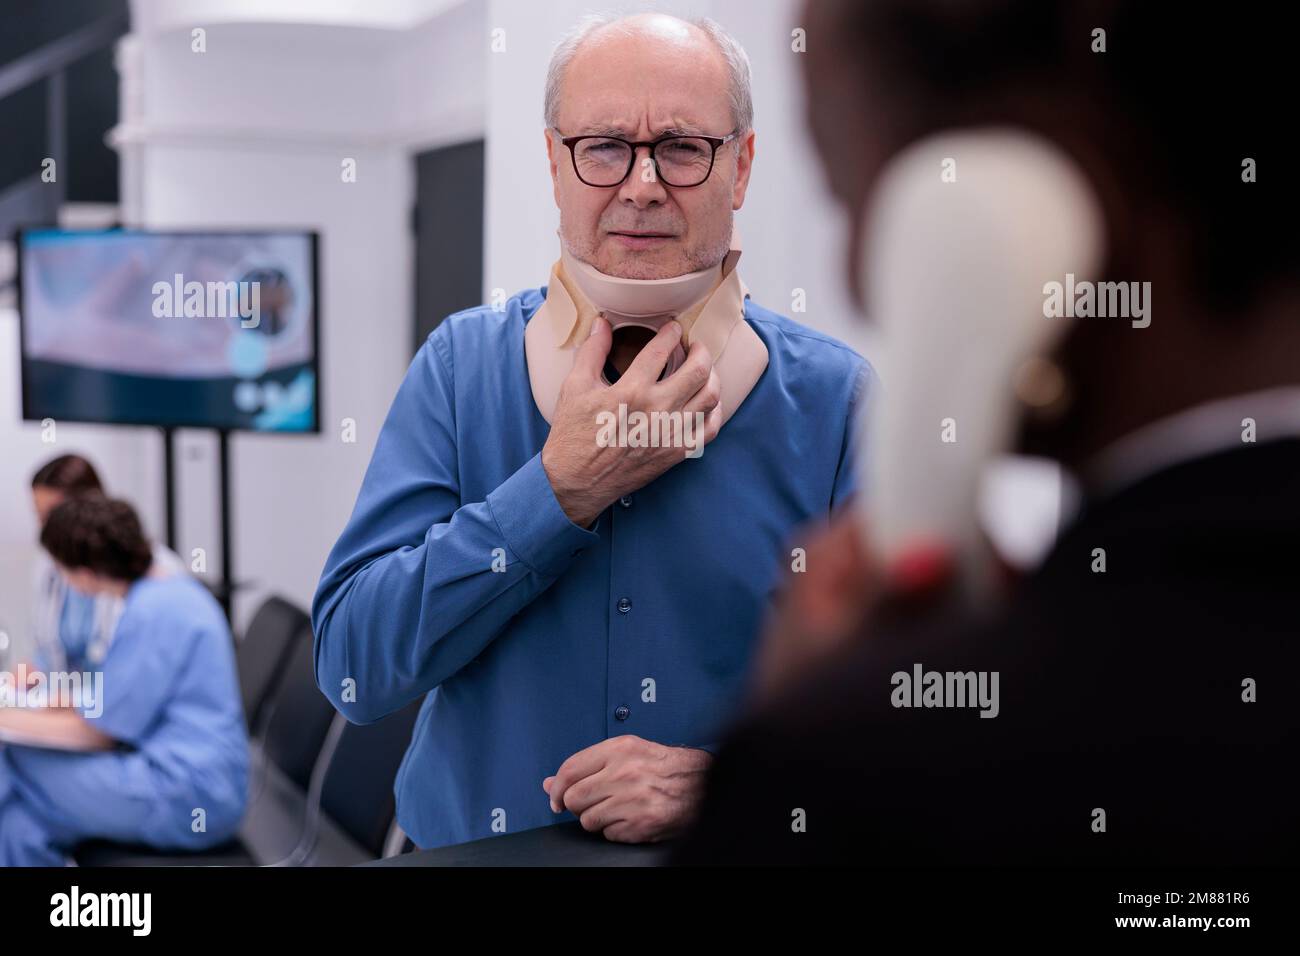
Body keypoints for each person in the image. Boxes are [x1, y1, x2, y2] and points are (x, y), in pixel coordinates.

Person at [673, 0, 1297, 865]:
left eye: (859, 206)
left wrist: (830, 733)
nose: (858, 280)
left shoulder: (874, 782)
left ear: (1008, 200)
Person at [313, 12, 870, 850]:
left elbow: (900, 715)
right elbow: (354, 669)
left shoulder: (834, 402)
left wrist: (727, 785)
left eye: (683, 148)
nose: (642, 185)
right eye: (603, 146)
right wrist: (555, 491)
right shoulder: (462, 369)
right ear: (552, 162)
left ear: (742, 165)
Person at [0, 496, 248, 866]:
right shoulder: (168, 595)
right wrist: (61, 700)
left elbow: (101, 732)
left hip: (187, 794)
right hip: (195, 784)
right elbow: (123, 695)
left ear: (82, 570)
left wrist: (5, 717)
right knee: (21, 825)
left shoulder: (155, 611)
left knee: (11, 759)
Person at [29, 454, 188, 672]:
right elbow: (47, 654)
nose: (44, 527)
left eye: (52, 515)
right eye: (39, 516)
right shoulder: (52, 568)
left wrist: (77, 704)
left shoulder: (156, 585)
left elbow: (136, 683)